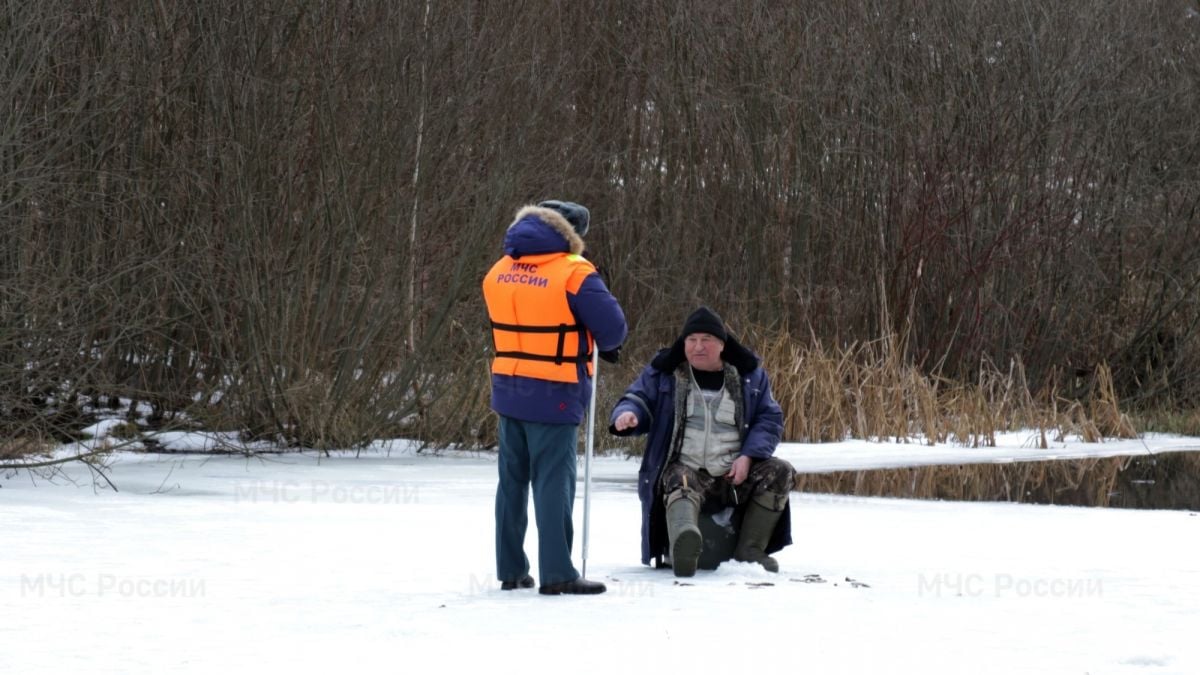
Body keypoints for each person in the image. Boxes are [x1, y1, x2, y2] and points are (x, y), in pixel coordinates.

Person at [482, 200, 627, 595]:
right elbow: (614, 330)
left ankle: (511, 569)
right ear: (572, 234)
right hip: (555, 390)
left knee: (512, 481)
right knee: (553, 481)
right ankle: (558, 572)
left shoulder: (499, 270)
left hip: (509, 388)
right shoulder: (574, 271)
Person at [609, 307, 794, 576]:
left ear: (722, 344)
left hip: (733, 474)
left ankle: (751, 549)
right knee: (676, 477)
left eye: (706, 339)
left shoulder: (749, 376)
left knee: (780, 471)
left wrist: (749, 456)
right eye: (691, 340)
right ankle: (684, 543)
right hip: (688, 471)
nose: (698, 347)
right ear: (683, 343)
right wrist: (627, 415)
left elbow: (770, 418)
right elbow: (636, 399)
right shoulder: (665, 373)